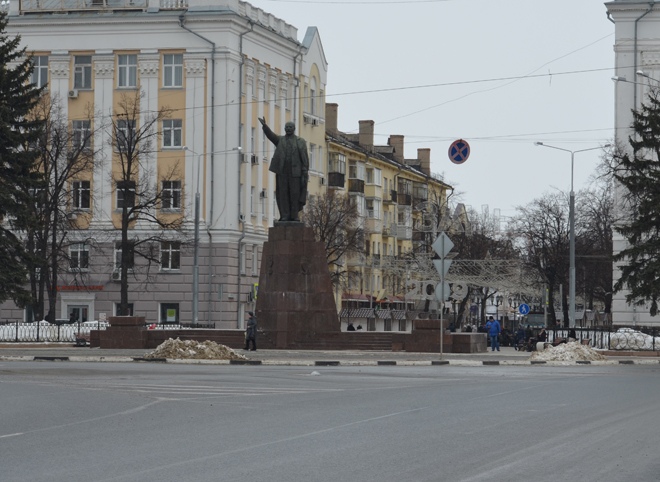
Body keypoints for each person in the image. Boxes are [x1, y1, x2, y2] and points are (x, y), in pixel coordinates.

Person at [259, 117, 309, 223]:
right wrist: (265, 126)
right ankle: (285, 215)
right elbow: (271, 136)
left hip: (295, 173)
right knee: (283, 194)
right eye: (287, 127)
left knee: (294, 194)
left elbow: (304, 158)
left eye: (290, 127)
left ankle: (294, 215)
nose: (288, 129)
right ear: (284, 129)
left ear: (294, 128)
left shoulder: (300, 141)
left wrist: (305, 171)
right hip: (282, 172)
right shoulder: (280, 140)